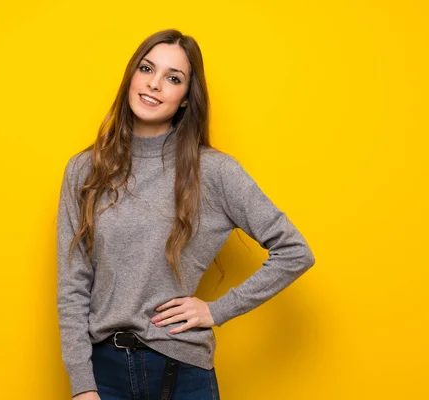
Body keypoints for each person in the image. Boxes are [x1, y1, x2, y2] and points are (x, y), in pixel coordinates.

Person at [57, 29, 315, 400]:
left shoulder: (214, 171)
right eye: (147, 69)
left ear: (184, 99)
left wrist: (217, 310)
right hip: (104, 374)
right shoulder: (85, 170)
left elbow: (294, 251)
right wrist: (82, 385)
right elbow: (72, 285)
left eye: (173, 78)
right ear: (131, 75)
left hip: (181, 374)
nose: (155, 84)